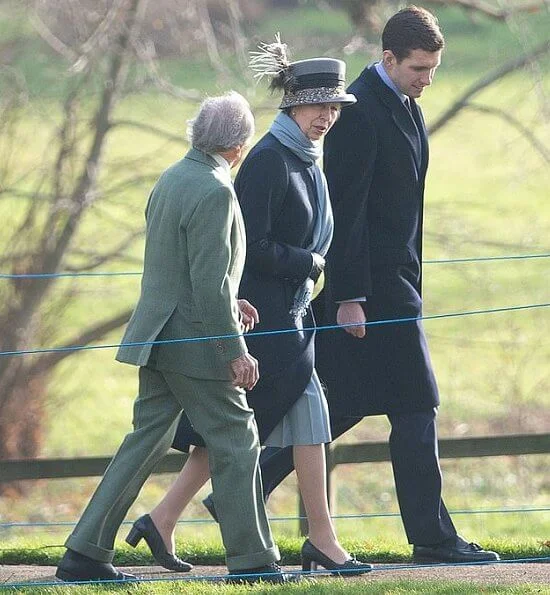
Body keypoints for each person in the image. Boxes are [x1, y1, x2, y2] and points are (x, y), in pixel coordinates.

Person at [203, 6, 500, 564]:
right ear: (387, 59)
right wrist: (348, 296)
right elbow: (348, 213)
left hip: (396, 281)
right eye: (418, 69)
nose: (427, 79)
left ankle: (237, 492)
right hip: (374, 291)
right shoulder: (359, 113)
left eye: (434, 69)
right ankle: (433, 540)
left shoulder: (406, 106)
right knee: (418, 405)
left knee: (343, 400)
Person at [134, 43, 371, 577]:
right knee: (280, 422)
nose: (326, 116)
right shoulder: (268, 160)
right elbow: (250, 246)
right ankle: (323, 540)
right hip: (263, 320)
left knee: (242, 428)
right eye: (316, 107)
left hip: (292, 317)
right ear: (290, 107)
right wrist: (309, 261)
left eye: (333, 107)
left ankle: (164, 516)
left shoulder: (306, 158)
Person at [55, 91, 294, 585]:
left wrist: (234, 303)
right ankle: (253, 559)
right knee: (237, 437)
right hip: (194, 342)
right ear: (238, 147)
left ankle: (85, 550)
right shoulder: (216, 190)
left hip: (158, 337)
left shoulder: (171, 178)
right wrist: (237, 351)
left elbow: (187, 272)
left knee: (146, 440)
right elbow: (206, 284)